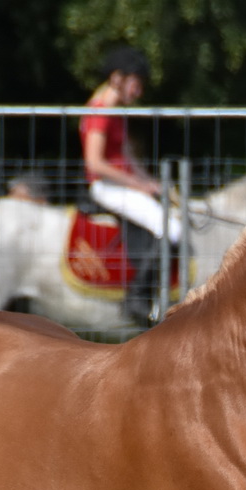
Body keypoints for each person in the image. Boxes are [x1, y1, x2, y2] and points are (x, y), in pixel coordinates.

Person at [80, 46, 177, 324]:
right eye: (136, 83)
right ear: (117, 78)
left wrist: (151, 182)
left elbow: (126, 156)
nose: (139, 91)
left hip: (120, 185)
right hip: (106, 187)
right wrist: (137, 185)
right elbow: (95, 163)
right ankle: (136, 298)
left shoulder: (115, 111)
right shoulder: (101, 111)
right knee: (171, 229)